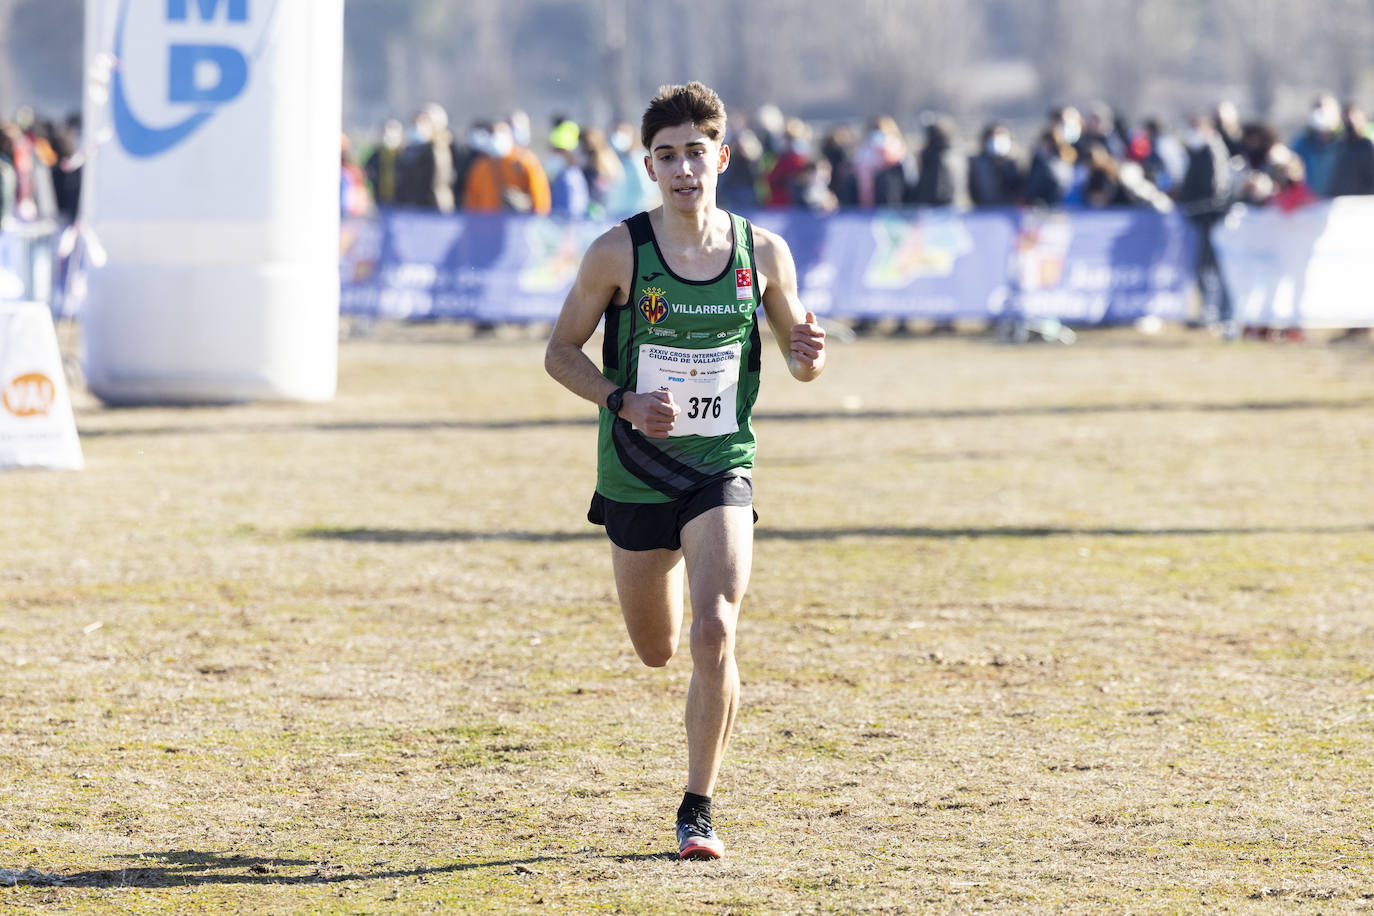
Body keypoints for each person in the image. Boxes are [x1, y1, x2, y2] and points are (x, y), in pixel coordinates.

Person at [543, 81, 826, 861]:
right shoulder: (618, 252)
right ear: (650, 166)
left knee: (716, 630)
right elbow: (558, 353)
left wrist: (809, 356)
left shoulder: (761, 252)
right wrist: (621, 399)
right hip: (636, 471)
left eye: (695, 153)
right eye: (666, 156)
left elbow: (800, 358)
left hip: (719, 468)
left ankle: (697, 807)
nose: (681, 169)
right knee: (658, 649)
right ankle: (663, 578)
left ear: (720, 157)